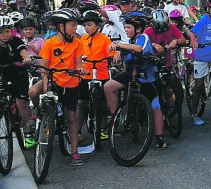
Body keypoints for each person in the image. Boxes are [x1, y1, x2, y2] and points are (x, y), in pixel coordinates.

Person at [28, 9, 86, 166]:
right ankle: (39, 113)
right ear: (61, 26)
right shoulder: (50, 43)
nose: (76, 28)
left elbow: (79, 64)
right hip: (53, 80)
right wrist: (46, 87)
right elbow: (44, 69)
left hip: (70, 83)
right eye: (73, 25)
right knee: (33, 91)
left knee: (71, 118)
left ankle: (74, 152)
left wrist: (80, 69)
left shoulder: (77, 43)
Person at [104, 11, 167, 149]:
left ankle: (160, 137)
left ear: (138, 29)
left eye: (128, 28)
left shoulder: (143, 37)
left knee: (155, 107)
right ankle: (118, 118)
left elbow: (138, 49)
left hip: (147, 77)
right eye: (125, 27)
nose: (125, 30)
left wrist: (119, 46)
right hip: (132, 75)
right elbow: (128, 50)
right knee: (108, 86)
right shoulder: (131, 39)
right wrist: (119, 54)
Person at [77, 11, 114, 141]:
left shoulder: (104, 39)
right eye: (85, 25)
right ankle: (78, 130)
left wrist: (113, 58)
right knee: (81, 102)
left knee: (102, 103)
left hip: (101, 73)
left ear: (97, 25)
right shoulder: (83, 39)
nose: (87, 27)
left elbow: (112, 53)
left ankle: (103, 128)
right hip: (86, 74)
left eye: (90, 25)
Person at [0, 16, 34, 148]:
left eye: (7, 31)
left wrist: (26, 59)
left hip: (18, 74)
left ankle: (28, 133)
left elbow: (23, 52)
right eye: (1, 32)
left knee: (22, 103)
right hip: (3, 75)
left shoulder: (16, 41)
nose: (5, 35)